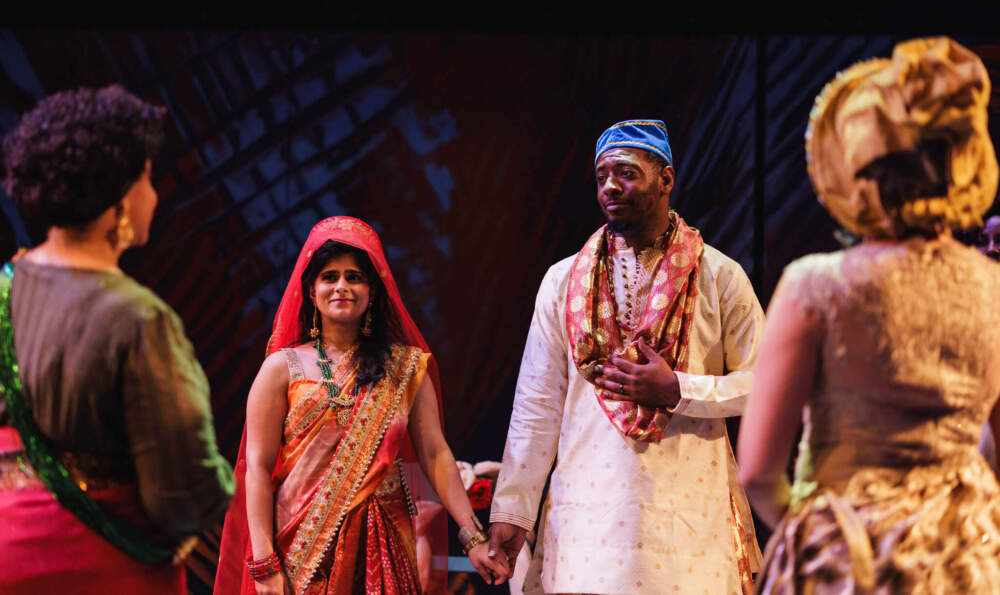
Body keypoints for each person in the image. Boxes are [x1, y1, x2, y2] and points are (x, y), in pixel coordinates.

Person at [738, 37, 1000, 592]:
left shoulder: (818, 285)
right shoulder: (993, 284)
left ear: (857, 169)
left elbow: (759, 472)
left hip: (851, 562)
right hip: (966, 561)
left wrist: (817, 539)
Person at [489, 119, 765, 594]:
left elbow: (765, 382)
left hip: (688, 522)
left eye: (626, 172)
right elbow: (538, 403)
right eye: (601, 177)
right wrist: (513, 511)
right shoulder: (562, 280)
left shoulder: (720, 276)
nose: (610, 187)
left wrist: (679, 389)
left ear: (666, 179)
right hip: (586, 523)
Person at [0, 85, 235, 594]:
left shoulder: (2, 289)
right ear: (122, 197)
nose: (154, 194)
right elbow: (183, 496)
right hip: (92, 569)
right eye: (148, 178)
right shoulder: (137, 320)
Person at [215, 216, 507, 594]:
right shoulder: (280, 369)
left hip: (383, 552)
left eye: (354, 277)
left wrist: (472, 535)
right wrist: (264, 563)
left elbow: (435, 453)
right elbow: (257, 467)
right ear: (310, 289)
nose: (342, 287)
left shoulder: (405, 367)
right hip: (299, 555)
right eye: (329, 276)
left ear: (372, 290)